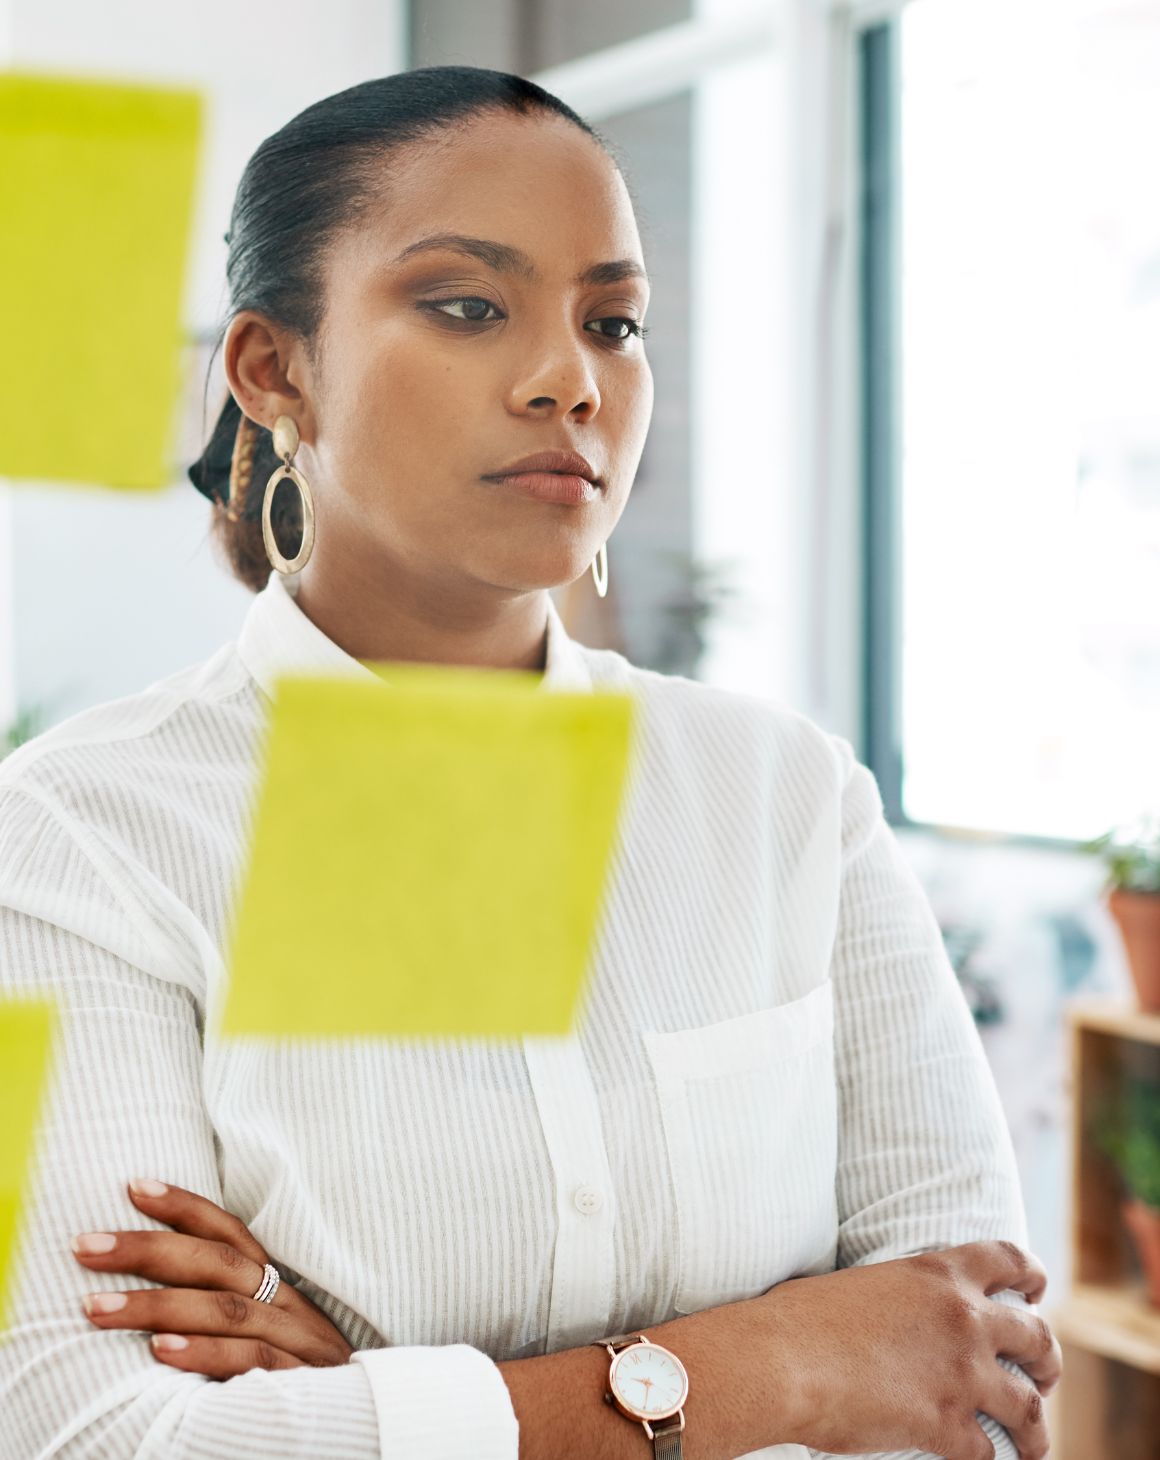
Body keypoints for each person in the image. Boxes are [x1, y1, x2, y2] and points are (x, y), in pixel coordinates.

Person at [0, 65, 1060, 1460]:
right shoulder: (86, 838)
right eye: (466, 305)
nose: (570, 378)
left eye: (612, 323)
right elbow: (93, 1440)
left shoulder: (789, 800)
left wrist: (379, 1383)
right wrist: (779, 1362)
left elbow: (974, 1388)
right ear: (274, 370)